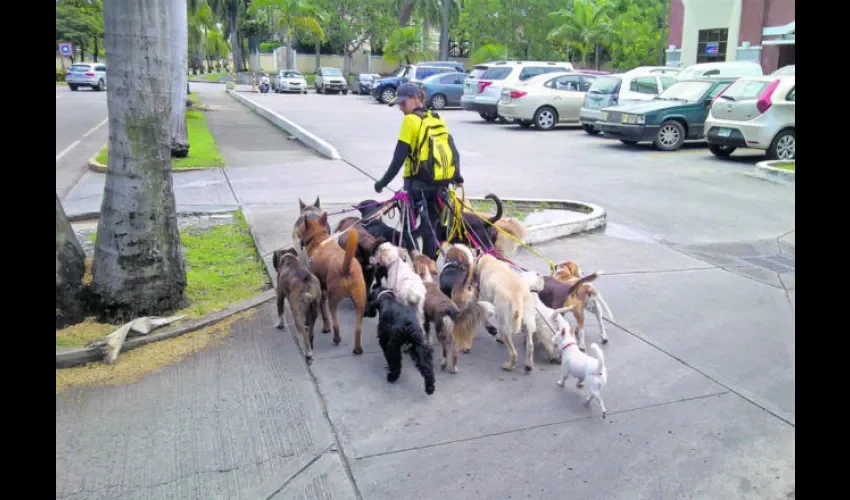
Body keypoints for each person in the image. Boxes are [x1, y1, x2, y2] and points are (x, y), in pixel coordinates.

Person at [373, 82, 463, 260]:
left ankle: (414, 261)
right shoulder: (436, 118)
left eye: (403, 103)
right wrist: (457, 177)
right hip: (440, 185)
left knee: (408, 226)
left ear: (415, 99)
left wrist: (382, 183)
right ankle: (429, 265)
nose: (401, 108)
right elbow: (453, 150)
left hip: (416, 185)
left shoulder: (410, 120)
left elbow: (399, 157)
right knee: (431, 226)